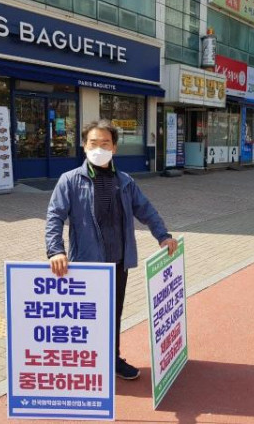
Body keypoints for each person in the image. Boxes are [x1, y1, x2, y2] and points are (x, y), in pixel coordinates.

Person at [45, 119, 178, 380]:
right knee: (86, 317)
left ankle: (112, 359)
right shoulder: (69, 181)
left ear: (114, 148)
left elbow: (146, 210)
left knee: (113, 314)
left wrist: (163, 236)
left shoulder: (124, 181)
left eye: (105, 143)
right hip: (86, 264)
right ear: (84, 146)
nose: (99, 148)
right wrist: (55, 250)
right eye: (93, 143)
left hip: (117, 263)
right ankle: (84, 363)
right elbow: (54, 217)